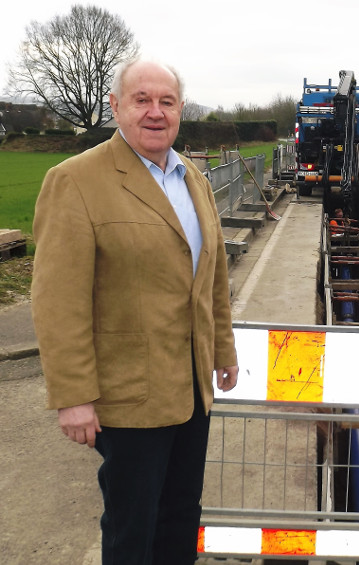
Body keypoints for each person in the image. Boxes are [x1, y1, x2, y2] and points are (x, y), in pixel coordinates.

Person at [31, 56, 239, 565]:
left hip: (191, 389)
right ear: (116, 107)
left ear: (180, 110)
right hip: (129, 397)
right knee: (132, 528)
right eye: (141, 100)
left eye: (166, 102)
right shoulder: (76, 180)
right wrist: (73, 395)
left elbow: (211, 277)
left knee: (179, 517)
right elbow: (58, 299)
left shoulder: (193, 179)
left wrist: (223, 350)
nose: (154, 112)